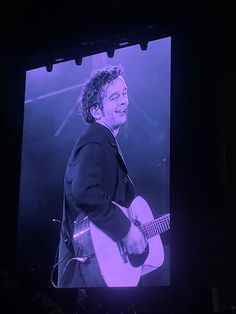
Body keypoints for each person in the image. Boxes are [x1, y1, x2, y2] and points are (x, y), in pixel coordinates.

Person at [57, 64, 147, 288]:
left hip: (97, 272)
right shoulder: (94, 141)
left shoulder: (105, 142)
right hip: (84, 274)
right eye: (115, 97)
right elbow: (84, 192)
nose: (124, 101)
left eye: (124, 93)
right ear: (96, 111)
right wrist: (126, 230)